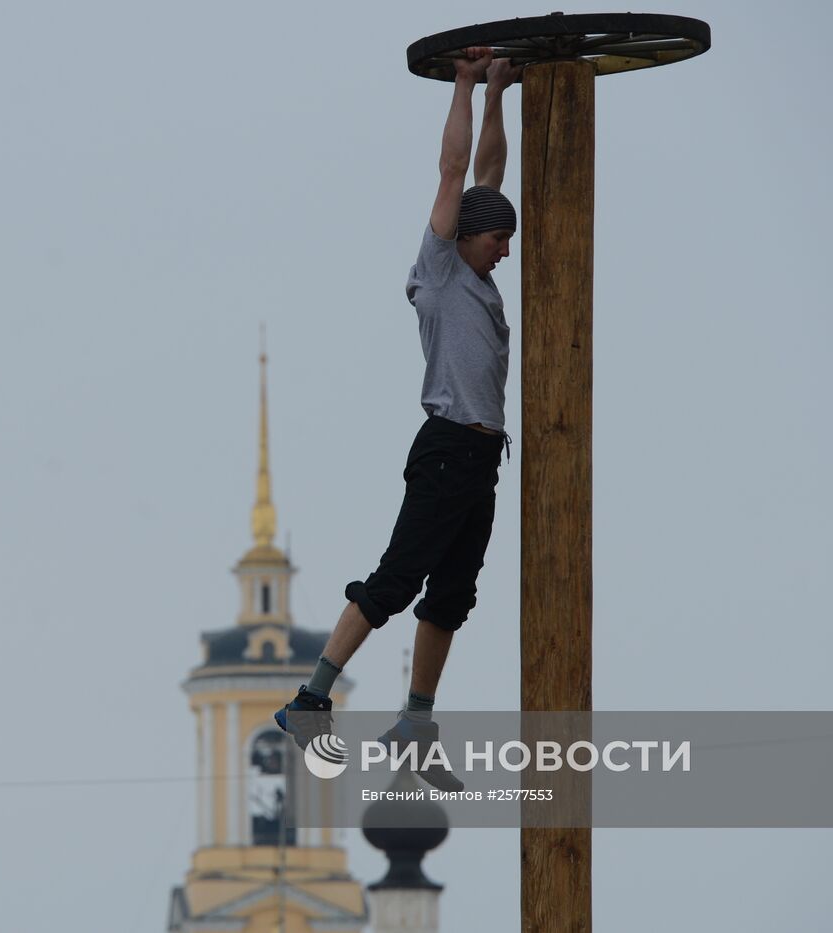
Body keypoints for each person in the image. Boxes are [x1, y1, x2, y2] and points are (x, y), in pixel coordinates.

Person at [276, 49, 521, 791]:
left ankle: (417, 723)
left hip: (481, 461)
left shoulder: (477, 276)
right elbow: (455, 175)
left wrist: (500, 94)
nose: (505, 250)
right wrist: (464, 82)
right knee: (394, 582)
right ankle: (310, 699)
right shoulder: (443, 270)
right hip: (447, 448)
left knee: (452, 597)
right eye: (496, 239)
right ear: (463, 240)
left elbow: (488, 175)